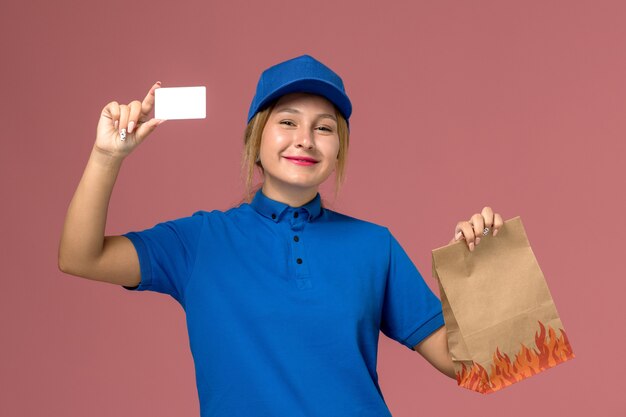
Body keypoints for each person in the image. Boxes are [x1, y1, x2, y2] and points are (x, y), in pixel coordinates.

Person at [58, 54, 503, 416]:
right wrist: (105, 156)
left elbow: (467, 365)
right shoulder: (199, 242)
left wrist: (481, 273)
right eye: (288, 122)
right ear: (256, 137)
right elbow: (80, 258)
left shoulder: (374, 245)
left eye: (324, 128)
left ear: (338, 149)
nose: (305, 140)